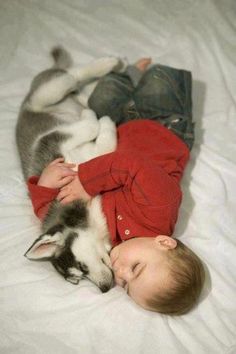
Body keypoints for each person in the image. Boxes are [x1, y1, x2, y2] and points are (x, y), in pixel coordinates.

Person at [27, 59, 205, 315]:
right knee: (158, 83)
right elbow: (130, 165)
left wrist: (44, 185)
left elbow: (58, 220)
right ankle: (143, 71)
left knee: (102, 97)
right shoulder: (159, 209)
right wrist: (86, 183)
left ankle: (127, 74)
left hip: (122, 127)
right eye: (136, 269)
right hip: (161, 126)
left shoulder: (116, 241)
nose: (119, 272)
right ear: (164, 242)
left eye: (125, 284)